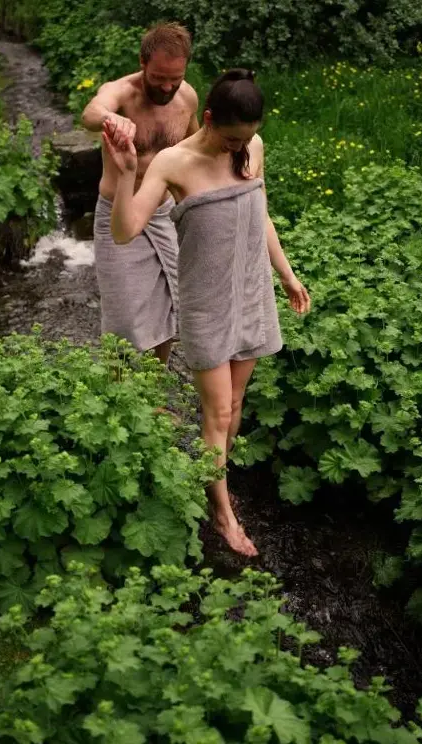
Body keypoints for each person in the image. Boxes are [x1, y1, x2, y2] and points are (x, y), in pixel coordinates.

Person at [103, 69, 311, 557]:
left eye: (248, 138)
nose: (239, 148)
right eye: (232, 138)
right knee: (216, 411)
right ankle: (222, 514)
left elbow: (261, 215)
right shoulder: (173, 162)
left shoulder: (251, 148)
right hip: (206, 304)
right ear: (210, 118)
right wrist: (128, 173)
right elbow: (124, 231)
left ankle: (213, 481)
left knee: (233, 406)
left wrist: (286, 275)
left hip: (250, 293)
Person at [82, 23, 199, 364]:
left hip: (163, 212)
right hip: (118, 214)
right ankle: (117, 388)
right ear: (143, 62)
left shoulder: (187, 98)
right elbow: (90, 114)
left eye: (175, 78)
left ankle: (156, 384)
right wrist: (111, 119)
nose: (167, 86)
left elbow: (196, 148)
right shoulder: (121, 93)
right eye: (159, 77)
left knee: (168, 300)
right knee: (122, 318)